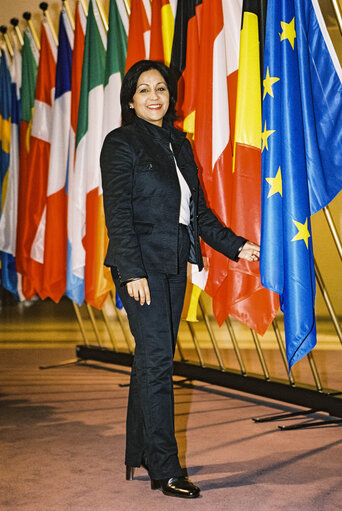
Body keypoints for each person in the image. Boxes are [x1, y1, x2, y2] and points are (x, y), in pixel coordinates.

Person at [100, 59, 260, 499]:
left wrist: (236, 245)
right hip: (141, 268)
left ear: (170, 97)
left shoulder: (179, 144)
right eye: (144, 90)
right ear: (130, 100)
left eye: (161, 89)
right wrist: (131, 271)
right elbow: (117, 214)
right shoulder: (121, 142)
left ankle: (141, 450)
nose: (154, 96)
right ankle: (166, 468)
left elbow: (198, 213)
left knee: (152, 358)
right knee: (158, 364)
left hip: (174, 264)